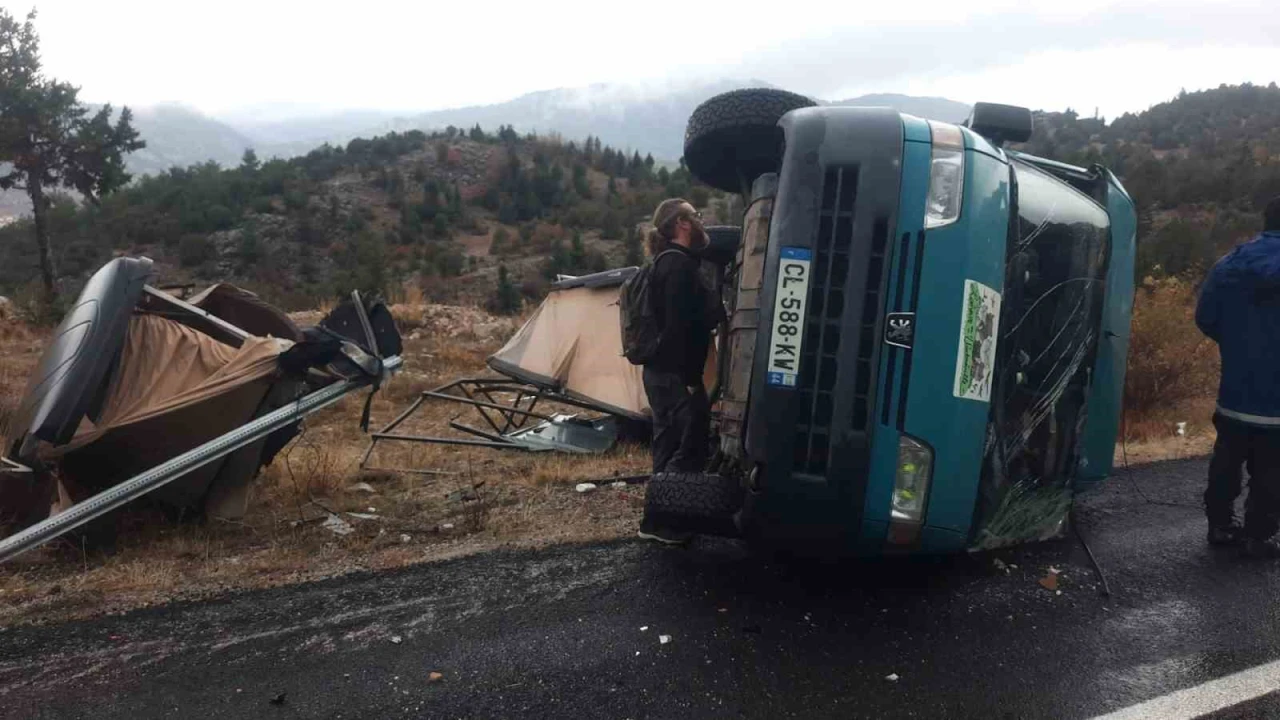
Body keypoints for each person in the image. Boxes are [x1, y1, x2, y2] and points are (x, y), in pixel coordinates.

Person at [1195, 196, 1280, 558]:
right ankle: (1260, 535)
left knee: (1227, 458)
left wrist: (1239, 345)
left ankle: (1220, 526)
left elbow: (1206, 317)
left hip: (1235, 391)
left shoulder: (1228, 263)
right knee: (1273, 468)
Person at [637, 198, 721, 544]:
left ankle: (657, 521)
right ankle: (665, 519)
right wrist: (689, 381)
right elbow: (677, 329)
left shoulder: (671, 263)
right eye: (696, 215)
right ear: (683, 224)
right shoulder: (678, 268)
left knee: (668, 442)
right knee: (690, 442)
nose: (701, 220)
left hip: (662, 372)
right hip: (675, 375)